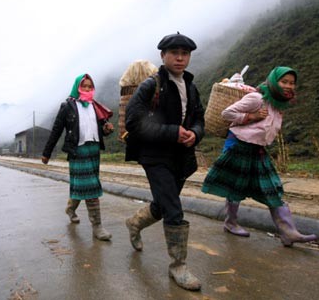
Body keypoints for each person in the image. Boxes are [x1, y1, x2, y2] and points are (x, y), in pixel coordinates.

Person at [201, 66, 318, 247]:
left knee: (273, 187)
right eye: (284, 82)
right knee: (236, 186)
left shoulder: (278, 105)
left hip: (258, 150)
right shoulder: (257, 98)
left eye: (292, 83)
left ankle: (288, 232)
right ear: (273, 82)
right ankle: (230, 223)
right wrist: (250, 116)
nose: (288, 86)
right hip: (238, 145)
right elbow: (227, 113)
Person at [124, 32, 205, 291]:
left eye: (185, 54)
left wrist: (195, 133)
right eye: (174, 53)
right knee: (174, 208)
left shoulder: (190, 86)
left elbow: (199, 118)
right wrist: (172, 132)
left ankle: (135, 223)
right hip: (155, 156)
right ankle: (178, 266)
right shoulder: (151, 85)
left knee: (163, 204)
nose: (180, 58)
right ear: (163, 56)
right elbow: (133, 122)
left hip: (180, 156)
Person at [42, 73, 114, 241]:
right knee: (90, 188)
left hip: (94, 150)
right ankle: (97, 227)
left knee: (83, 186)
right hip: (78, 151)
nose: (87, 89)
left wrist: (107, 130)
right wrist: (47, 152)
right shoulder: (68, 106)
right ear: (77, 87)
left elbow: (101, 129)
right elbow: (56, 130)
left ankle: (70, 209)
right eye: (84, 86)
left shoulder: (95, 106)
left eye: (90, 86)